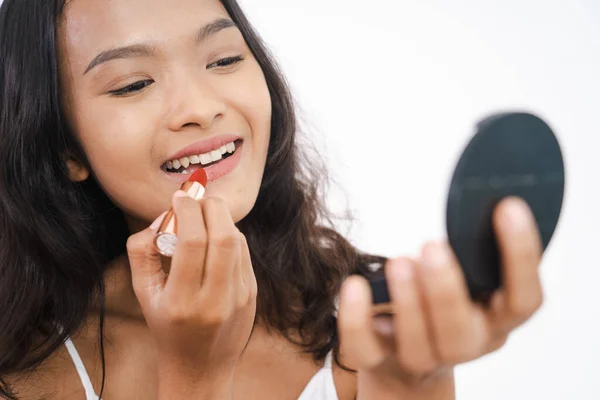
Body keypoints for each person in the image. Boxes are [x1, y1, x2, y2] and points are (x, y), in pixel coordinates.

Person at [0, 0, 545, 399]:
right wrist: (195, 376)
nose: (201, 106)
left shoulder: (354, 320)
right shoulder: (23, 374)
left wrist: (413, 382)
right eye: (132, 84)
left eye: (223, 60)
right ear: (65, 146)